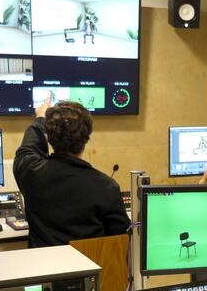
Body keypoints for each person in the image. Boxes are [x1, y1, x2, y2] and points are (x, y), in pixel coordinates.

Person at [14, 95, 130, 247]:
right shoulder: (106, 187)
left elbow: (28, 148)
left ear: (49, 138)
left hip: (44, 268)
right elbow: (122, 239)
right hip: (90, 268)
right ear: (87, 137)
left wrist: (40, 119)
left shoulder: (31, 173)